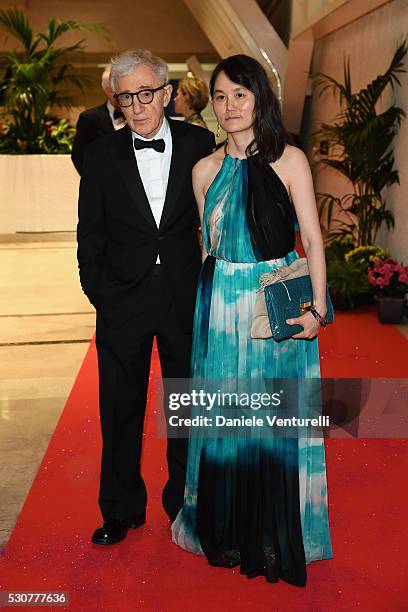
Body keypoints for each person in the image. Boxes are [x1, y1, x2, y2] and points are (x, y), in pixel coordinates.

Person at [171, 55, 332, 586]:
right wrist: (203, 317)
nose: (230, 106)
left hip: (274, 302)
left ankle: (272, 535)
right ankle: (226, 528)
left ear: (260, 97)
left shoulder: (291, 161)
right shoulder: (203, 170)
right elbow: (205, 246)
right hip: (219, 312)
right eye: (219, 96)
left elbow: (311, 239)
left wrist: (317, 308)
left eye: (240, 93)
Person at [77, 49, 215, 546]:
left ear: (167, 93)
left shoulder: (203, 144)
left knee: (184, 405)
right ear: (116, 100)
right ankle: (120, 508)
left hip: (184, 297)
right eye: (126, 96)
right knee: (120, 405)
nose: (137, 106)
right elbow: (88, 236)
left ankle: (183, 502)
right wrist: (104, 295)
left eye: (146, 93)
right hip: (123, 300)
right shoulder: (99, 155)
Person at [71, 65, 126, 174]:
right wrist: (96, 184)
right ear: (108, 90)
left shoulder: (140, 115)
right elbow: (79, 156)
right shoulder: (89, 118)